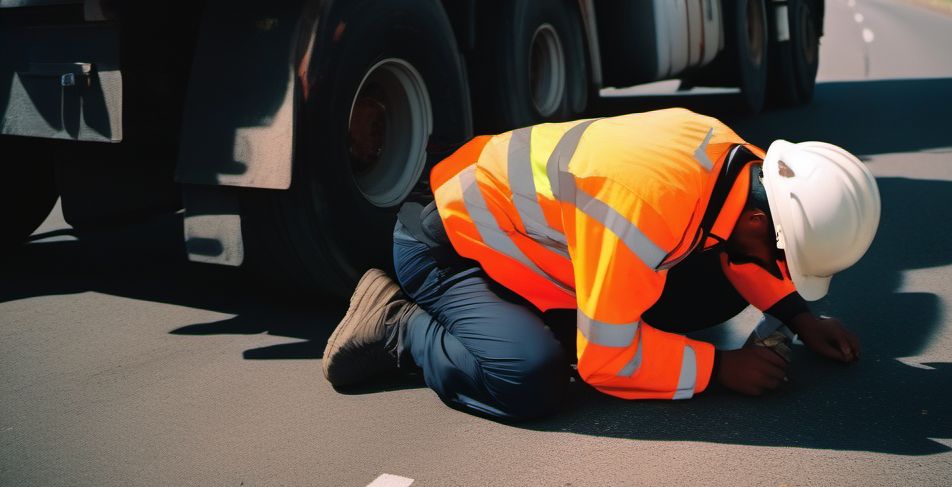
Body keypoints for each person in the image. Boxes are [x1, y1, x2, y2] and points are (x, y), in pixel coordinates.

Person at [322, 108, 880, 421]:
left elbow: (740, 248)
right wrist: (718, 369)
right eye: (785, 256)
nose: (782, 267)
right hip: (443, 246)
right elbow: (606, 362)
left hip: (524, 237)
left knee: (720, 284)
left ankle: (550, 318)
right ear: (763, 221)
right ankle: (399, 322)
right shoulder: (641, 211)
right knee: (532, 378)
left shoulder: (746, 166)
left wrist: (803, 321)